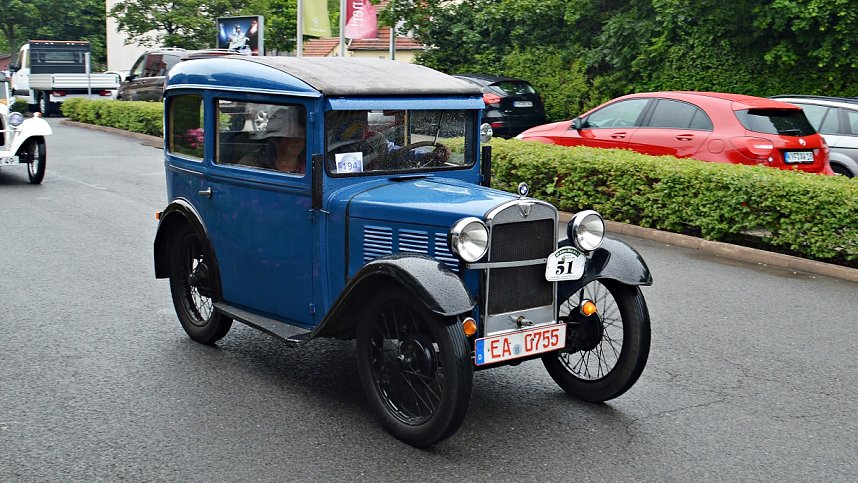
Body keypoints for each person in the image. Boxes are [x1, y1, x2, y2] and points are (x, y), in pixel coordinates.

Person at [240, 108, 306, 174]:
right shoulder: (251, 163)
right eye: (291, 135)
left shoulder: (309, 166)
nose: (297, 141)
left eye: (301, 135)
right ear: (276, 139)